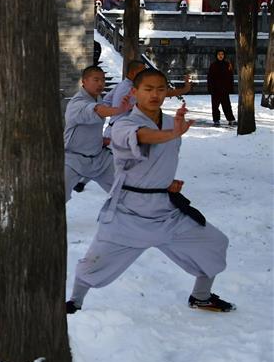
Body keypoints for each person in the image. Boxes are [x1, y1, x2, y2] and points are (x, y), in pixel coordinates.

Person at [66, 68, 234, 314]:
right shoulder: (124, 124)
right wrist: (172, 133)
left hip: (166, 212)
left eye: (160, 89)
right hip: (128, 214)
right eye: (148, 89)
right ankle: (75, 302)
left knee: (215, 243)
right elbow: (143, 137)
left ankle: (201, 296)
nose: (155, 94)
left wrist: (166, 181)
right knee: (93, 263)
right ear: (135, 92)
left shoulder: (170, 122)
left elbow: (159, 159)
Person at [64, 65, 132, 201]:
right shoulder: (76, 103)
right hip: (73, 160)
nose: (101, 83)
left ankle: (132, 216)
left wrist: (101, 140)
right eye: (96, 80)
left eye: (103, 80)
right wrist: (119, 110)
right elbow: (96, 110)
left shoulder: (97, 98)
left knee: (125, 190)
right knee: (58, 198)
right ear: (84, 81)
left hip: (98, 159)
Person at [102, 59, 192, 137]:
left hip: (117, 130)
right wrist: (184, 90)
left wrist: (117, 111)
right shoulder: (128, 89)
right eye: (142, 72)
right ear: (133, 73)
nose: (155, 95)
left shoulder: (121, 85)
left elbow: (106, 100)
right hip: (121, 133)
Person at [207, 49, 236, 127]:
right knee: (215, 106)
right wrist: (210, 88)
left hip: (224, 89)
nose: (220, 56)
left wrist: (230, 88)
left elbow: (230, 77)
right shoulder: (213, 65)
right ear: (216, 55)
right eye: (219, 54)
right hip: (215, 90)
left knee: (227, 105)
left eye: (222, 54)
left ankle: (230, 119)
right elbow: (209, 78)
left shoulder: (227, 65)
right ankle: (216, 120)